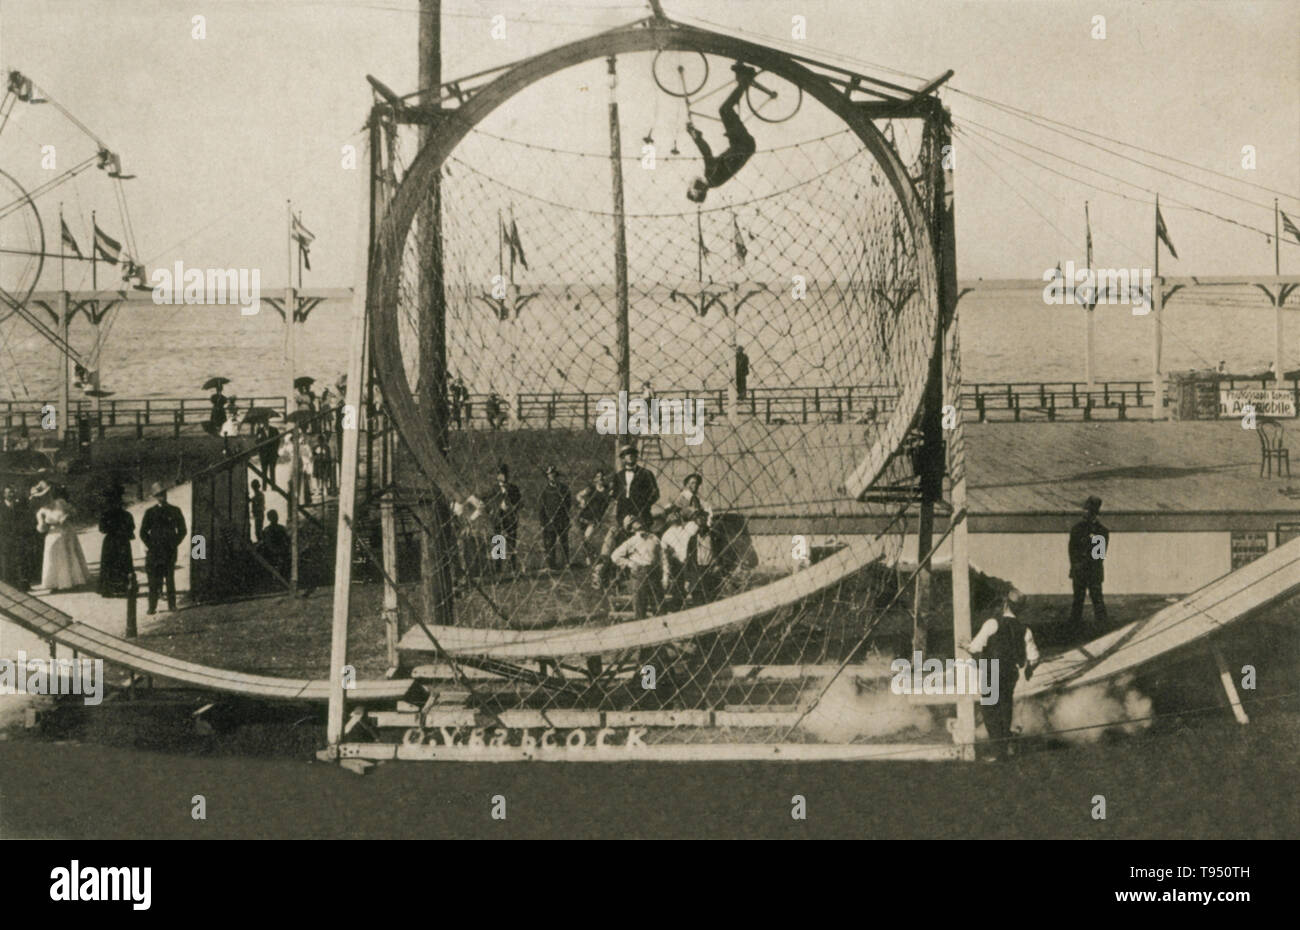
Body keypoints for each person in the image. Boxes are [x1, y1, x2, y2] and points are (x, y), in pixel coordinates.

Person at [967, 588, 1039, 761]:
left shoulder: (993, 623)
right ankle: (1004, 748)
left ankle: (999, 752)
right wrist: (1029, 670)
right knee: (1005, 708)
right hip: (1010, 673)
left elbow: (975, 647)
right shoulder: (1025, 630)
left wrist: (966, 646)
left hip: (992, 670)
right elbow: (1034, 658)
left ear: (1005, 604)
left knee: (990, 710)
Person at [685, 63, 759, 203]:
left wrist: (697, 135)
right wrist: (694, 134)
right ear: (699, 188)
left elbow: (708, 153)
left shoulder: (714, 181)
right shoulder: (711, 176)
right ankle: (746, 79)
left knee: (726, 111)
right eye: (693, 185)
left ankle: (743, 80)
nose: (693, 182)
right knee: (725, 110)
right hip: (743, 144)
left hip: (740, 144)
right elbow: (706, 151)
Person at [140, 482, 186, 614]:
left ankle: (172, 605)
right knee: (153, 580)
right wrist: (151, 545)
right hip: (154, 552)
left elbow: (183, 530)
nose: (162, 497)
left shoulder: (175, 510)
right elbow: (143, 532)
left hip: (169, 551)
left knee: (170, 578)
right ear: (155, 497)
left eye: (163, 494)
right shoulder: (150, 513)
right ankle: (152, 607)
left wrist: (174, 543)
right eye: (159, 495)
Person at [35, 485, 90, 592]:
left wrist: (68, 516)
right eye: (42, 496)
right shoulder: (41, 511)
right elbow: (41, 529)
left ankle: (74, 581)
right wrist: (44, 525)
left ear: (50, 494)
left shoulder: (60, 502)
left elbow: (74, 511)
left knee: (70, 554)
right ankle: (56, 583)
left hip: (67, 531)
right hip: (53, 533)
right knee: (55, 556)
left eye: (47, 495)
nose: (45, 498)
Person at [609, 515, 664, 619]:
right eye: (633, 523)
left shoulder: (654, 538)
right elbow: (615, 556)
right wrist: (630, 564)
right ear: (631, 529)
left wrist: (664, 572)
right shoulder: (631, 541)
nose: (638, 524)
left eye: (638, 521)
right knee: (640, 604)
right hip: (639, 574)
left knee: (658, 603)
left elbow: (662, 555)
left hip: (654, 572)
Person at [1068, 495, 1110, 627]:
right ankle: (1074, 626)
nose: (1084, 512)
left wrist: (1081, 564)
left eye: (1088, 510)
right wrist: (1077, 565)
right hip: (1082, 570)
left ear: (1094, 513)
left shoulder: (1101, 531)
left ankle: (1102, 626)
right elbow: (1072, 551)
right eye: (1085, 509)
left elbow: (1099, 555)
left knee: (1097, 600)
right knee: (1078, 600)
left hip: (1092, 571)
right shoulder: (1077, 529)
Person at [481, 463, 523, 574]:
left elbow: (520, 502)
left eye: (503, 474)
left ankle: (512, 567)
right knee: (498, 541)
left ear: (507, 475)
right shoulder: (493, 489)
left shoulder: (513, 488)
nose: (501, 476)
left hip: (510, 518)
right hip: (497, 518)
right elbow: (484, 501)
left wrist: (513, 508)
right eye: (499, 474)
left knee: (511, 541)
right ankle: (498, 568)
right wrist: (490, 511)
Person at [96, 486, 136, 597]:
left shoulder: (107, 515)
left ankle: (114, 588)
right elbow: (131, 528)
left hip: (113, 541)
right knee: (120, 564)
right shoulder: (126, 515)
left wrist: (113, 529)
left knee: (114, 564)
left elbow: (102, 529)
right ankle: (119, 588)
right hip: (119, 541)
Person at [659, 506, 700, 609]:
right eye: (671, 514)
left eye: (676, 513)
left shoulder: (690, 527)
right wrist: (666, 576)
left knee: (696, 591)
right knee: (680, 593)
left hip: (693, 562)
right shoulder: (666, 536)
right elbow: (665, 558)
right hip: (680, 565)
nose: (674, 516)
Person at [613, 444, 659, 531]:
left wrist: (644, 505)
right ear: (623, 458)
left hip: (641, 510)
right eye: (626, 454)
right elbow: (615, 493)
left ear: (636, 456)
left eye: (632, 453)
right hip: (623, 512)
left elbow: (655, 493)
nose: (630, 455)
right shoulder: (618, 476)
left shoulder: (646, 473)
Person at [538, 465, 572, 571]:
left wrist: (566, 517)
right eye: (550, 475)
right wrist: (543, 522)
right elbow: (541, 507)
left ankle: (566, 563)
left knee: (564, 542)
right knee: (550, 543)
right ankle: (551, 565)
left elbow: (568, 504)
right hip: (550, 521)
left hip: (561, 520)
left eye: (554, 474)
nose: (552, 476)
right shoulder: (545, 491)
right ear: (547, 477)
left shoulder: (564, 489)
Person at [574, 469, 612, 565]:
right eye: (598, 477)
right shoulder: (591, 488)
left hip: (595, 518)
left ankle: (593, 556)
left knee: (587, 538)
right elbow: (578, 495)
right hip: (584, 516)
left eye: (602, 477)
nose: (601, 479)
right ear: (595, 479)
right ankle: (589, 557)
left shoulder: (608, 490)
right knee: (583, 540)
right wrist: (582, 502)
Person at [0, 485, 25, 587]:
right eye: (9, 492)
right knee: (6, 560)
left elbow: (22, 520)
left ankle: (20, 583)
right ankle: (8, 583)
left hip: (17, 536)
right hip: (5, 537)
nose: (12, 494)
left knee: (19, 559)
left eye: (12, 492)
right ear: (4, 494)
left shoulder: (18, 505)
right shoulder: (1, 507)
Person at [259, 509, 291, 580]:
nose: (276, 518)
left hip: (278, 551)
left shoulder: (279, 528)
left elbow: (287, 540)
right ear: (270, 518)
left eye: (276, 516)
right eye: (274, 516)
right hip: (275, 551)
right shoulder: (271, 529)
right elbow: (268, 543)